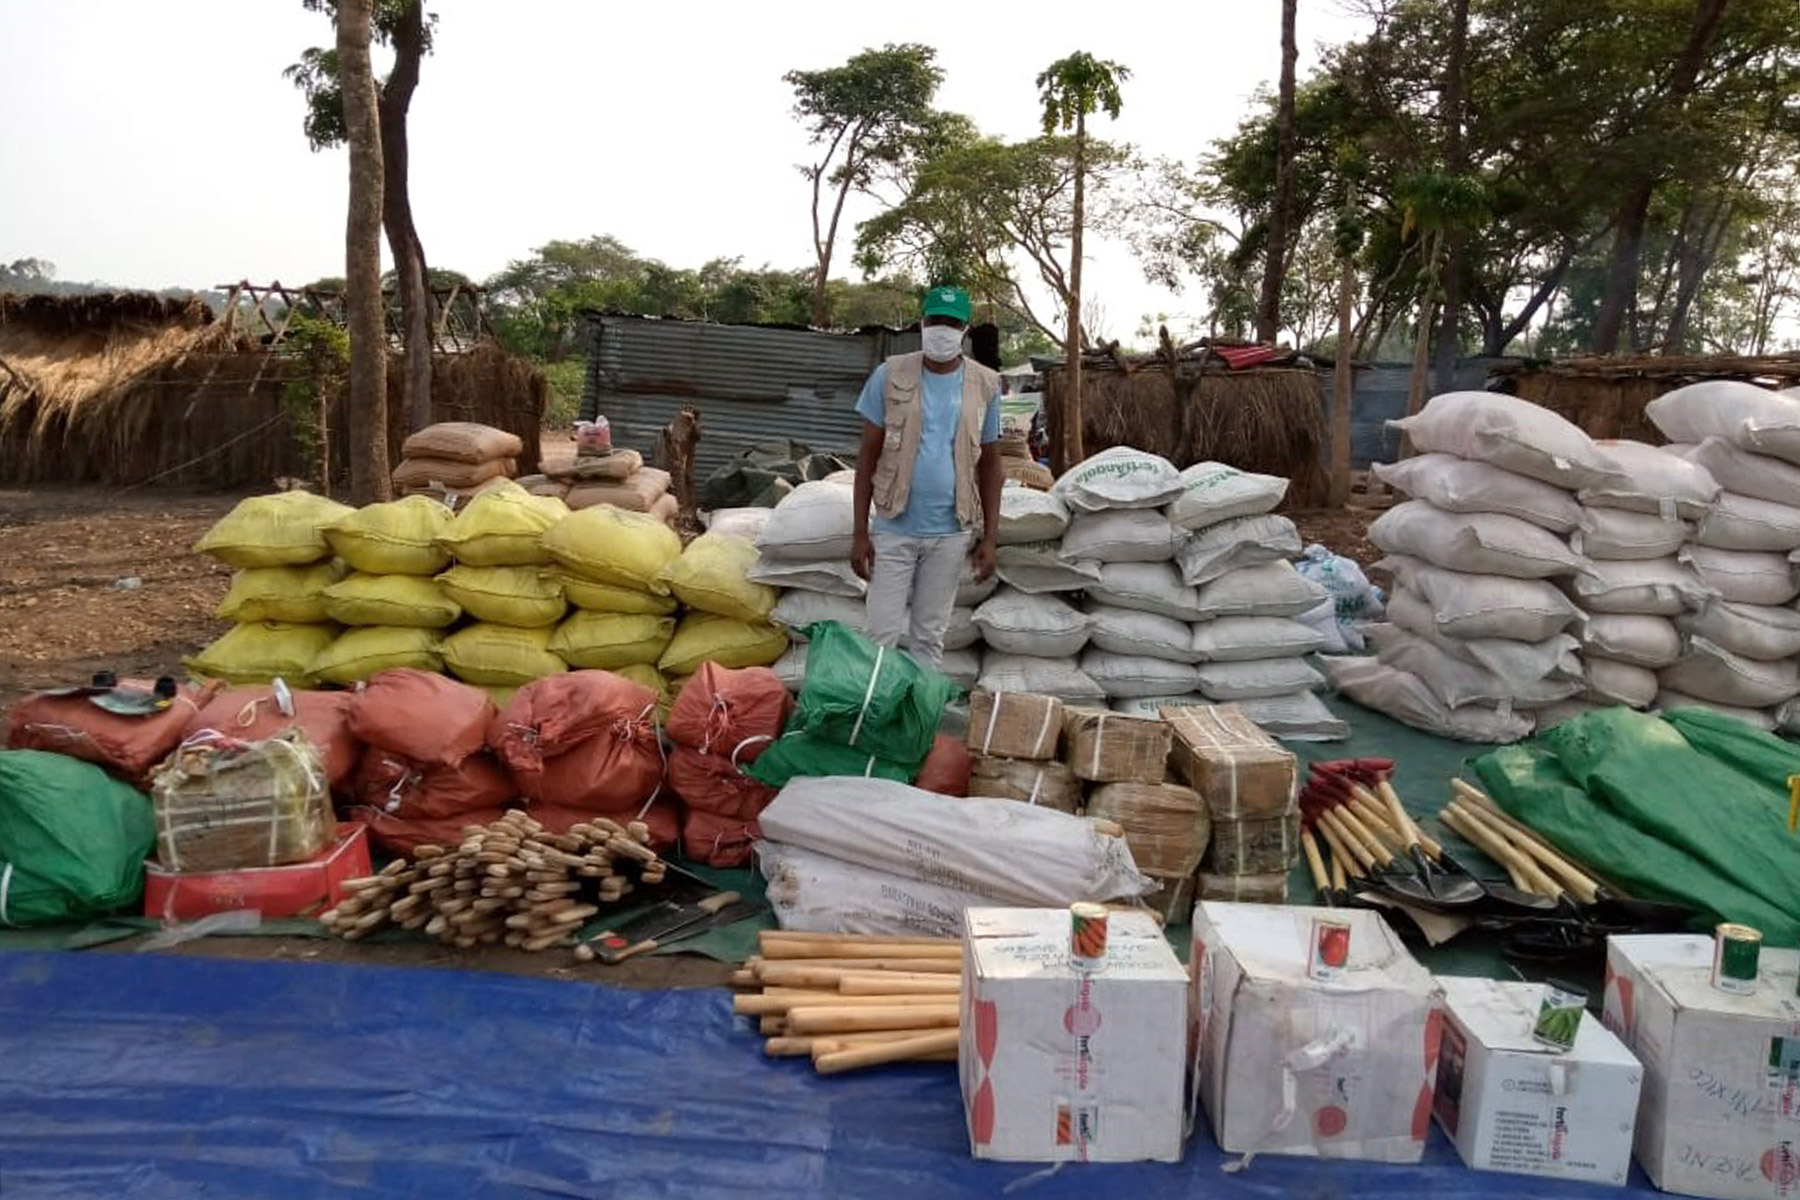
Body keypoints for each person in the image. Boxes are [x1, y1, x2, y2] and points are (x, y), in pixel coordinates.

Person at [851, 285, 1003, 671]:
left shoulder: (985, 384)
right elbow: (867, 454)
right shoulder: (890, 373)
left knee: (929, 637)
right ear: (921, 323)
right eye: (935, 320)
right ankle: (873, 720)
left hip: (950, 531)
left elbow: (990, 465)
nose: (942, 330)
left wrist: (991, 537)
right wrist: (859, 532)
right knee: (879, 635)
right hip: (894, 526)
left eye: (952, 323)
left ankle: (917, 725)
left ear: (964, 330)